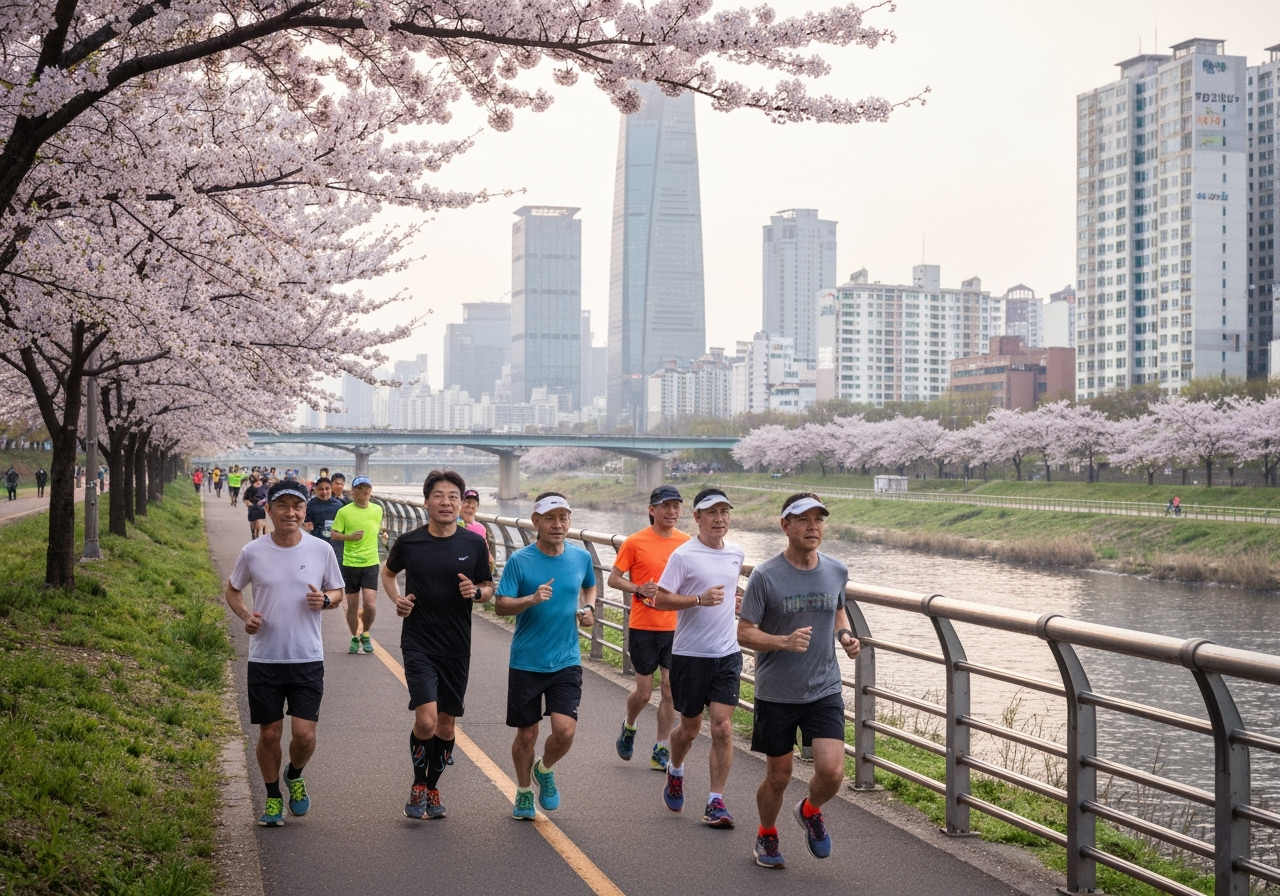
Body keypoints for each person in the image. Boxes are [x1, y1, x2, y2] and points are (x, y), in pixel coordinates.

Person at [737, 493, 862, 869]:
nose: (813, 527)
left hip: (824, 687)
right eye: (803, 520)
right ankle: (767, 833)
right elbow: (744, 633)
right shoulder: (765, 575)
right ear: (785, 526)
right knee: (779, 775)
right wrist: (782, 642)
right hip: (777, 691)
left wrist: (845, 636)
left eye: (818, 520)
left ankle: (809, 810)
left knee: (832, 772)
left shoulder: (836, 570)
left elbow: (838, 610)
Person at [224, 479, 345, 826]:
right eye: (283, 506)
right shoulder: (253, 552)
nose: (290, 513)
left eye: (297, 506)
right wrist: (246, 615)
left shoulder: (320, 549)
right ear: (270, 510)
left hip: (307, 656)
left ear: (304, 511)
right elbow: (232, 590)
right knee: (270, 733)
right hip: (265, 657)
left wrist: (325, 600)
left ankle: (295, 773)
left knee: (305, 735)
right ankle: (273, 795)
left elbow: (337, 592)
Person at [381, 470, 493, 820]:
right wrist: (397, 600)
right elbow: (387, 573)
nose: (447, 502)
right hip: (418, 641)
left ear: (462, 503)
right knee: (426, 721)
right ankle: (418, 784)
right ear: (427, 501)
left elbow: (489, 588)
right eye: (439, 495)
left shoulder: (474, 543)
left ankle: (433, 786)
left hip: (457, 645)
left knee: (446, 725)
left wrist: (476, 593)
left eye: (453, 497)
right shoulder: (410, 542)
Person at [494, 493, 597, 820]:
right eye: (550, 518)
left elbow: (590, 586)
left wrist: (590, 608)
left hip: (566, 659)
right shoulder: (520, 561)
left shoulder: (580, 558)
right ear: (535, 521)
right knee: (527, 733)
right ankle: (524, 790)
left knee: (565, 730)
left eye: (563, 517)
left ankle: (545, 768)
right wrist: (531, 599)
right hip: (526, 660)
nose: (558, 524)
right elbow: (500, 604)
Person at [655, 487, 745, 828]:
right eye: (712, 513)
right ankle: (675, 769)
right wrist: (697, 600)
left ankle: (715, 801)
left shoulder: (736, 553)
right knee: (690, 728)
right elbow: (661, 600)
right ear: (697, 518)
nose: (719, 519)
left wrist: (736, 603)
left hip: (727, 653)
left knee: (722, 727)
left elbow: (729, 591)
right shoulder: (683, 556)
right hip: (690, 655)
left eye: (724, 512)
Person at [607, 485, 688, 771]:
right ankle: (629, 726)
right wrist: (638, 588)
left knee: (669, 689)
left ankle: (660, 747)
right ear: (652, 510)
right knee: (643, 692)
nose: (672, 511)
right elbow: (614, 579)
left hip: (676, 626)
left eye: (676, 506)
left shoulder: (687, 543)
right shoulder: (635, 542)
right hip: (643, 625)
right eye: (665, 506)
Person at [330, 476, 383, 655]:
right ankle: (355, 636)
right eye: (359, 488)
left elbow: (377, 529)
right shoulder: (344, 512)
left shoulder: (378, 510)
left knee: (370, 603)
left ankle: (365, 632)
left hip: (371, 562)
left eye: (367, 487)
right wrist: (350, 537)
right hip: (350, 563)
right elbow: (334, 534)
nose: (364, 491)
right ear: (353, 491)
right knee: (352, 606)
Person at [303, 477, 345, 563]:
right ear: (316, 490)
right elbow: (306, 521)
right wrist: (306, 526)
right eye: (321, 489)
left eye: (327, 489)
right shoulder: (311, 505)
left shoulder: (339, 505)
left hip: (335, 545)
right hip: (316, 544)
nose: (324, 492)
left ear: (331, 489)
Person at [459, 488, 493, 568]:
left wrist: (492, 566)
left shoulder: (480, 528)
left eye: (473, 504)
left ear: (477, 507)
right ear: (460, 504)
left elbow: (486, 551)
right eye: (467, 502)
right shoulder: (452, 524)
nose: (470, 506)